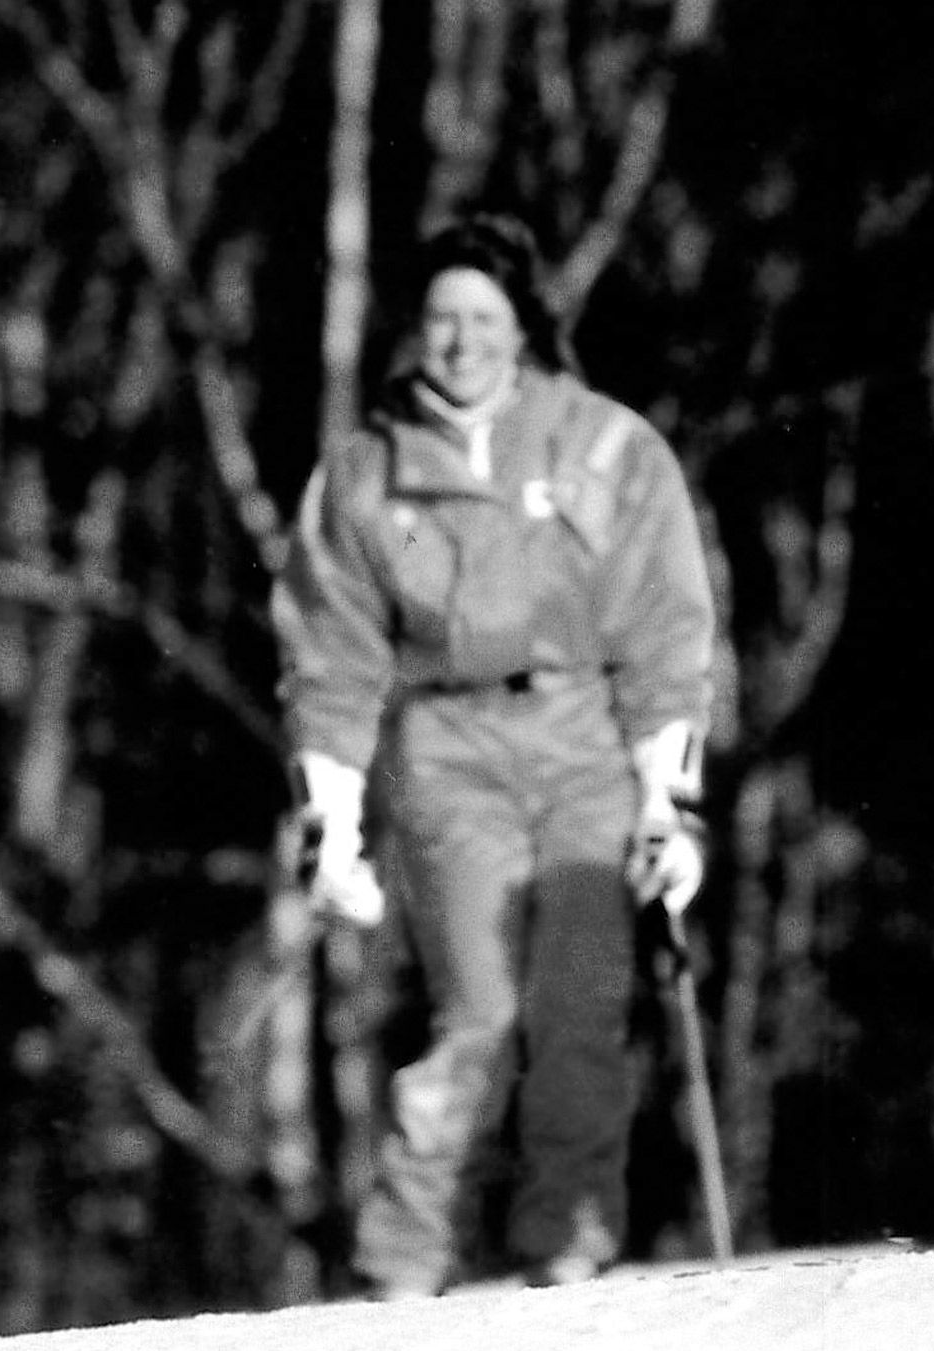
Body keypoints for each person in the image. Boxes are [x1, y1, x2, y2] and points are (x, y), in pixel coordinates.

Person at [274, 214, 718, 1296]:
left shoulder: (607, 445)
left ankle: (564, 1244)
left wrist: (672, 803)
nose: (462, 340)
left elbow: (665, 632)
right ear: (411, 333)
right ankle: (403, 1264)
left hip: (582, 741)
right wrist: (328, 816)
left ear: (523, 328)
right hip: (445, 746)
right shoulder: (365, 473)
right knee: (478, 1010)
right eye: (441, 318)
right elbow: (331, 655)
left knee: (580, 1006)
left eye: (484, 317)